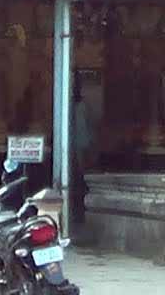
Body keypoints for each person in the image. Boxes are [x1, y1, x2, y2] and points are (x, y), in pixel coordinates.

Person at [70, 83, 94, 225]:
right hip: (77, 143)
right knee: (79, 172)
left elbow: (86, 125)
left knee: (78, 173)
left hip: (77, 143)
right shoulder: (80, 106)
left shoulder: (78, 107)